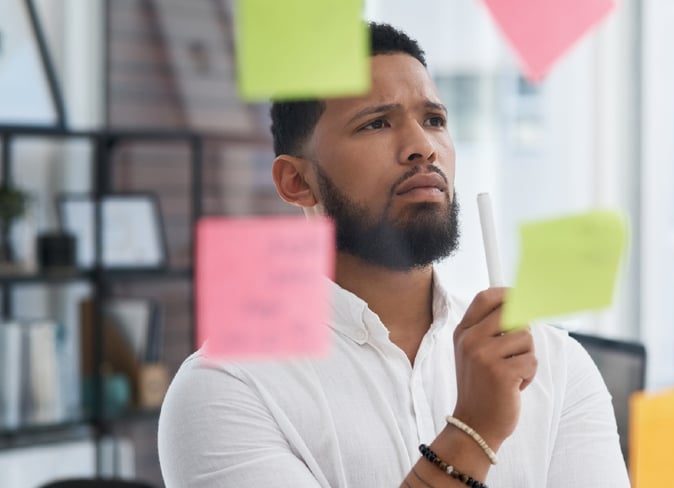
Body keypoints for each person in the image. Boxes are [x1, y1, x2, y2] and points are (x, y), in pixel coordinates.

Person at [158, 21, 629, 488]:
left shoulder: (556, 366)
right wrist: (474, 431)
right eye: (376, 123)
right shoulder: (226, 387)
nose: (423, 148)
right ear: (297, 182)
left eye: (434, 120)